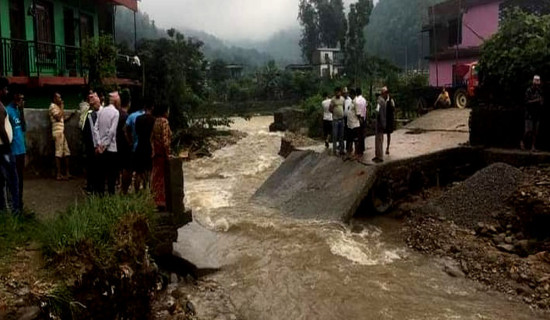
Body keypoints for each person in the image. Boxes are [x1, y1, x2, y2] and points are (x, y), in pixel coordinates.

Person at [94, 91, 120, 195]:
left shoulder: (101, 111)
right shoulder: (115, 113)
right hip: (111, 149)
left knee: (101, 175)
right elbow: (112, 132)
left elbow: (95, 128)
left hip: (101, 149)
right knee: (111, 178)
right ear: (115, 100)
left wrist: (99, 143)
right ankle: (111, 197)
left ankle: (100, 197)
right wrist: (105, 145)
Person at [0, 78, 20, 213]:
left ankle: (6, 209)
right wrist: (7, 144)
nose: (7, 91)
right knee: (11, 179)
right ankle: (13, 210)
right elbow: (0, 128)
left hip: (3, 148)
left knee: (4, 179)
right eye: (5, 89)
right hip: (3, 149)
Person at [6, 85, 26, 209]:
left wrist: (22, 111)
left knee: (21, 179)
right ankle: (13, 205)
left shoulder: (18, 111)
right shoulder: (8, 111)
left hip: (21, 149)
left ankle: (20, 203)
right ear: (15, 97)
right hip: (13, 150)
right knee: (13, 179)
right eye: (20, 98)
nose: (22, 100)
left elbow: (23, 127)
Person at [49, 92, 74, 180]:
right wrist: (62, 107)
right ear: (54, 99)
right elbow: (58, 118)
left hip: (61, 132)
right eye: (59, 98)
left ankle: (67, 173)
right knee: (58, 153)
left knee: (66, 152)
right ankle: (58, 174)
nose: (60, 99)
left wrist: (70, 116)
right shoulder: (52, 106)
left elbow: (62, 118)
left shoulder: (58, 107)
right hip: (57, 132)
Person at [151, 104, 172, 210]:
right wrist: (168, 154)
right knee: (162, 179)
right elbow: (165, 140)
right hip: (162, 155)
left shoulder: (156, 121)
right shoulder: (164, 122)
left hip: (156, 154)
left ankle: (156, 200)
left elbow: (152, 138)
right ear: (165, 111)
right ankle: (161, 202)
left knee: (156, 178)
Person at [134, 100, 155, 191]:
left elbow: (136, 132)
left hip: (139, 145)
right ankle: (150, 191)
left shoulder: (138, 119)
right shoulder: (153, 120)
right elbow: (153, 135)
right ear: (152, 108)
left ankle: (137, 191)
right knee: (150, 171)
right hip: (149, 147)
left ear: (145, 108)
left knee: (138, 172)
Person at [83, 92, 102, 194]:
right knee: (93, 167)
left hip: (100, 145)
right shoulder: (91, 115)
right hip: (93, 147)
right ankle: (93, 187)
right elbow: (90, 132)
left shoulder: (102, 112)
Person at [522, 75, 544, 152]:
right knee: (528, 130)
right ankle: (523, 141)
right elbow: (526, 102)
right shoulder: (529, 91)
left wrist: (540, 102)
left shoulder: (539, 91)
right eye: (536, 84)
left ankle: (533, 146)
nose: (537, 86)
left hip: (537, 113)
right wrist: (536, 101)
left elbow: (541, 101)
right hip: (529, 114)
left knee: (535, 131)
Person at [117, 89, 132, 194]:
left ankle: (119, 187)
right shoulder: (127, 117)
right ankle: (124, 190)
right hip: (125, 145)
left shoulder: (115, 114)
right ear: (129, 103)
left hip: (115, 144)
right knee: (127, 169)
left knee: (119, 168)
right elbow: (128, 132)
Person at [373, 87, 388, 163]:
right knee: (379, 139)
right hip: (382, 122)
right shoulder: (383, 101)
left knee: (378, 140)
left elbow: (377, 111)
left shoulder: (379, 101)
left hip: (379, 123)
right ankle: (378, 155)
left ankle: (380, 156)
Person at [329, 87, 345, 155]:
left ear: (340, 92)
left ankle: (341, 150)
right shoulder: (333, 100)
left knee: (341, 135)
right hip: (335, 120)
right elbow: (330, 109)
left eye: (339, 92)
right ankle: (334, 150)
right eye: (336, 92)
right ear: (335, 92)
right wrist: (334, 112)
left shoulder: (342, 99)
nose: (338, 93)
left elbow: (343, 107)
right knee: (335, 135)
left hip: (341, 119)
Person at [346, 89, 361, 158]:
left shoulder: (356, 102)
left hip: (355, 124)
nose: (349, 95)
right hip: (350, 124)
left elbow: (358, 113)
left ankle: (356, 153)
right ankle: (350, 152)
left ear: (352, 94)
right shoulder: (352, 102)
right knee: (350, 139)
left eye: (349, 94)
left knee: (356, 140)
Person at [354, 88, 368, 158]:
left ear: (356, 93)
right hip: (363, 118)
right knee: (362, 134)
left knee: (358, 135)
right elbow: (365, 110)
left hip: (358, 118)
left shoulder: (356, 100)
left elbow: (357, 111)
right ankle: (362, 149)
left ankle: (359, 150)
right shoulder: (364, 100)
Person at [343, 87, 353, 153]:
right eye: (344, 93)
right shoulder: (342, 99)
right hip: (343, 118)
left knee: (349, 132)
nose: (345, 94)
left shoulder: (350, 99)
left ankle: (349, 146)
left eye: (346, 93)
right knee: (345, 133)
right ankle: (344, 146)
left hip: (349, 118)